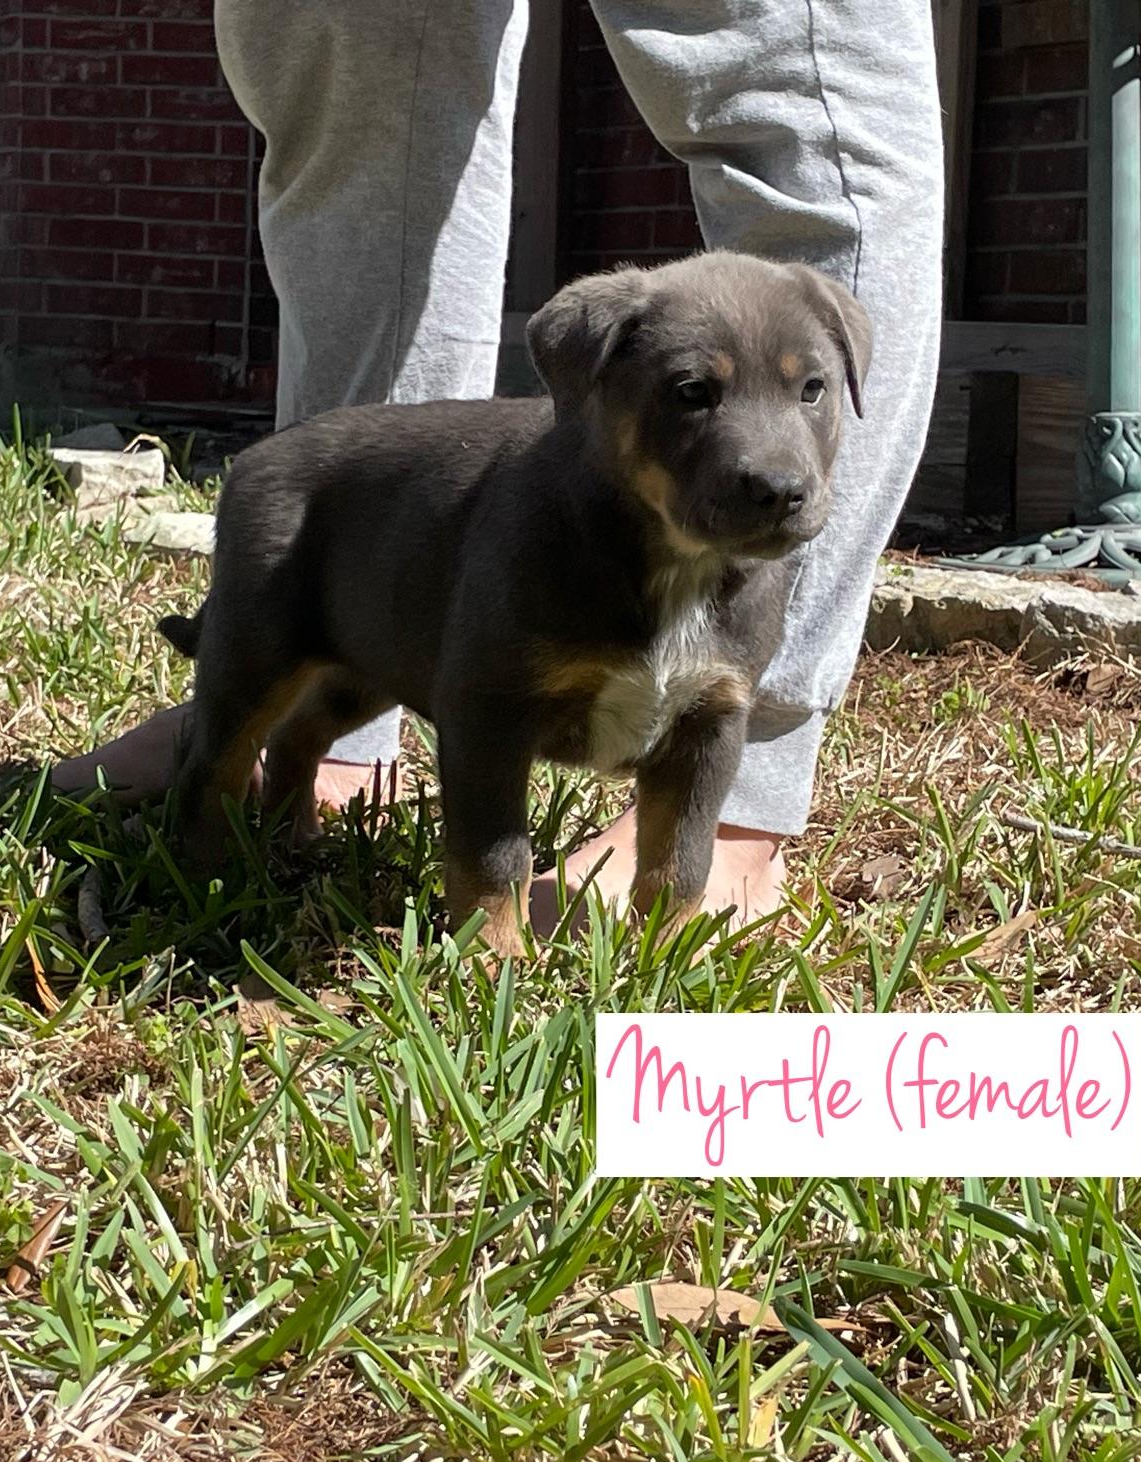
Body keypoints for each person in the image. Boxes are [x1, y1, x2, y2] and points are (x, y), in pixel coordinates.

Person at [53, 0, 945, 927]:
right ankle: (275, 773)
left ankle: (732, 836)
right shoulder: (539, 535)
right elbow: (489, 710)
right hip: (366, 543)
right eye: (692, 396)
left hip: (652, 626)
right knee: (363, 50)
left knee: (789, 66)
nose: (769, 464)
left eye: (809, 393)